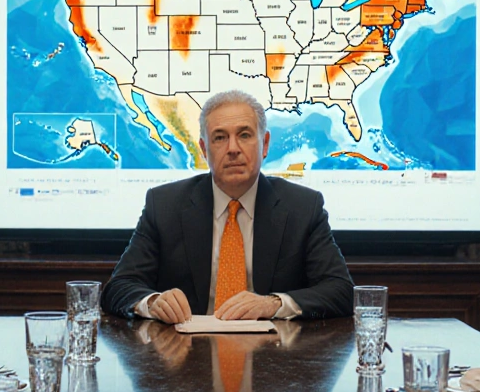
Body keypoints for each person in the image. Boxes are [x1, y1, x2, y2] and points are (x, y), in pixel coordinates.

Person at [103, 90, 354, 322]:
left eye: (244, 135)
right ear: (204, 149)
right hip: (187, 358)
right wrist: (153, 302)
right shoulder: (165, 205)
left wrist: (274, 304)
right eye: (220, 138)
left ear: (264, 144)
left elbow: (341, 291)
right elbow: (119, 287)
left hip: (274, 359)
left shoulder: (302, 207)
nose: (233, 149)